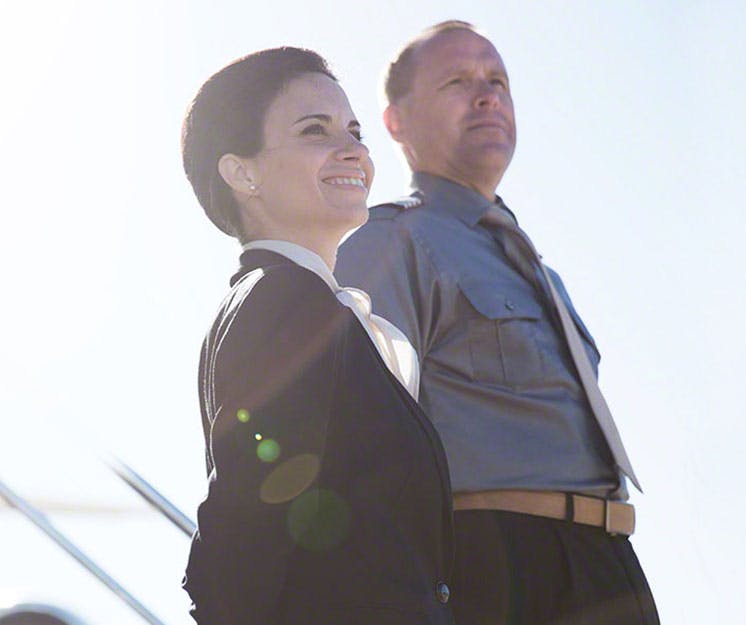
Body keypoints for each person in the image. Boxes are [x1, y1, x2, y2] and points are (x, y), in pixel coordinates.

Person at [336, 22, 660, 625]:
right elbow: (360, 440)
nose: (487, 97)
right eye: (457, 82)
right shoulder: (391, 243)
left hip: (606, 565)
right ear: (396, 122)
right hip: (500, 567)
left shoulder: (537, 269)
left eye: (498, 82)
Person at [180, 47, 455, 625]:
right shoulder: (282, 299)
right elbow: (239, 532)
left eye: (355, 131)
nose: (353, 150)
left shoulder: (304, 304)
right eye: (315, 130)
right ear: (242, 173)